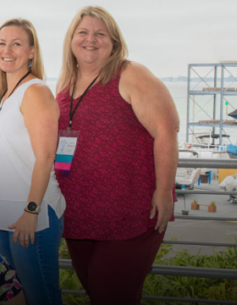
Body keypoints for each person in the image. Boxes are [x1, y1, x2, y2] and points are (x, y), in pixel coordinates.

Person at [54, 6, 178, 304]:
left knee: (109, 295)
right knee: (104, 294)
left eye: (100, 34)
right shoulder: (65, 84)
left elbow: (167, 130)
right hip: (79, 215)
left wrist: (163, 192)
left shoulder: (130, 73)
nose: (90, 39)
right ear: (71, 39)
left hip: (130, 213)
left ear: (114, 42)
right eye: (82, 32)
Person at [0, 18, 64, 305]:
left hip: (31, 213)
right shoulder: (5, 95)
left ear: (31, 52)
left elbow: (46, 156)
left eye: (16, 43)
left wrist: (32, 210)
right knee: (13, 296)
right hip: (1, 209)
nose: (7, 49)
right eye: (2, 43)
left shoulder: (35, 91)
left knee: (41, 295)